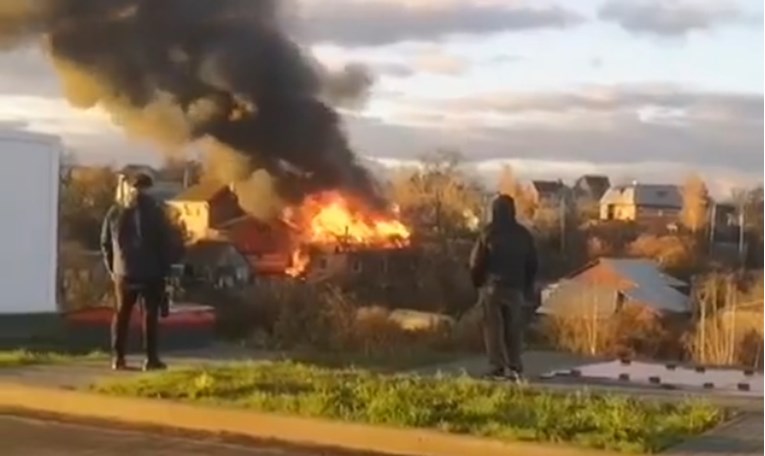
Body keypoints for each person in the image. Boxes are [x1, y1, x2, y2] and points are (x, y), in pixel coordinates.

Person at [100, 172, 175, 371]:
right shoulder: (156, 212)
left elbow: (105, 243)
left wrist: (112, 268)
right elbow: (166, 243)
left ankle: (118, 358)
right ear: (149, 188)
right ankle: (151, 359)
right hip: (151, 272)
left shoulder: (114, 212)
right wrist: (166, 269)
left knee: (121, 315)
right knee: (150, 316)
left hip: (123, 272)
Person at [469, 194, 538, 381]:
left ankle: (497, 366)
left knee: (492, 329)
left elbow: (476, 262)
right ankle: (515, 365)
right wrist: (527, 286)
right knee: (513, 328)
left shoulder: (488, 233)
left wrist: (477, 283)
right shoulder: (523, 234)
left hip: (492, 287)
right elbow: (532, 263)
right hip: (515, 288)